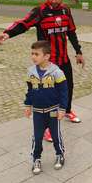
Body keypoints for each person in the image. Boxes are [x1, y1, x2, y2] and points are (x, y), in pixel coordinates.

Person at [0, 0, 84, 141]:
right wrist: (7, 34)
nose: (54, 0)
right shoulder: (40, 11)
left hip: (63, 60)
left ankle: (68, 110)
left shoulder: (66, 10)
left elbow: (71, 32)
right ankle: (46, 128)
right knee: (48, 96)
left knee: (67, 88)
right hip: (47, 63)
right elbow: (23, 24)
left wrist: (78, 52)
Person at [24, 41, 67, 175]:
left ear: (46, 56)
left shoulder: (57, 72)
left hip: (53, 110)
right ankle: (36, 158)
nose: (33, 57)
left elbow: (64, 92)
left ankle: (59, 154)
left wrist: (62, 109)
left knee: (55, 135)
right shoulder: (30, 72)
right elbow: (30, 90)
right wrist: (28, 105)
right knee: (37, 137)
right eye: (32, 54)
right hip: (38, 112)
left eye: (37, 54)